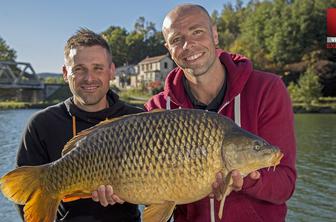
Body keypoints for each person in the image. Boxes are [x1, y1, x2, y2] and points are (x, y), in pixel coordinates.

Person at [143, 4, 296, 222]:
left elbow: (285, 184)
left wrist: (247, 180)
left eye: (197, 32)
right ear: (168, 48)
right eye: (177, 39)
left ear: (215, 35)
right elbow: (151, 190)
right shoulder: (158, 108)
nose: (189, 45)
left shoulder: (266, 89)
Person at [15, 28, 142, 222]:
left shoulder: (138, 120)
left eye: (98, 68)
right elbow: (27, 200)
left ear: (111, 71)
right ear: (66, 73)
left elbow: (161, 200)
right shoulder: (42, 124)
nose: (89, 78)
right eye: (79, 69)